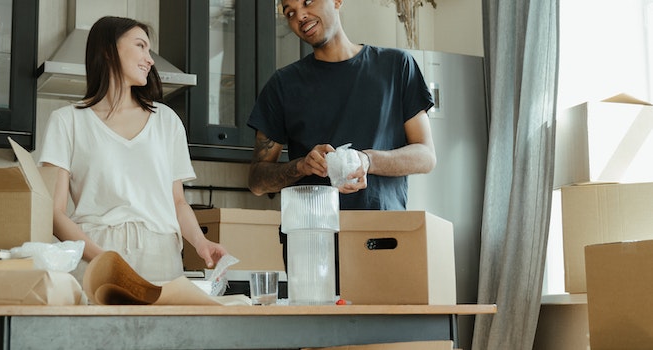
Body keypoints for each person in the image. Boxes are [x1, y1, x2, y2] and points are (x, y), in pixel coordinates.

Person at [38, 16, 227, 285]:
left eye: (149, 50)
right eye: (140, 46)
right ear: (107, 50)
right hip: (96, 257)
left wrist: (200, 242)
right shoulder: (67, 121)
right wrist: (103, 258)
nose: (149, 59)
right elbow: (54, 214)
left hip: (161, 259)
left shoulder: (166, 120)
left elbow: (177, 202)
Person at [247, 0, 436, 210]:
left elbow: (426, 156)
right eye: (290, 13)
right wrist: (301, 166)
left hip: (384, 234)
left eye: (307, 2)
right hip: (313, 234)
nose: (300, 16)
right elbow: (256, 181)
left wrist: (367, 160)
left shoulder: (397, 66)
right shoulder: (282, 85)